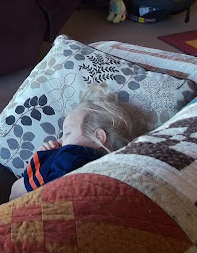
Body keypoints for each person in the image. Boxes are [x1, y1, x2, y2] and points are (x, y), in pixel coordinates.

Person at [9, 83, 148, 201]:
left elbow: (16, 194)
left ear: (98, 138)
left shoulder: (70, 156)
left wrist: (43, 159)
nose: (59, 141)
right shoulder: (113, 169)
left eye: (67, 133)